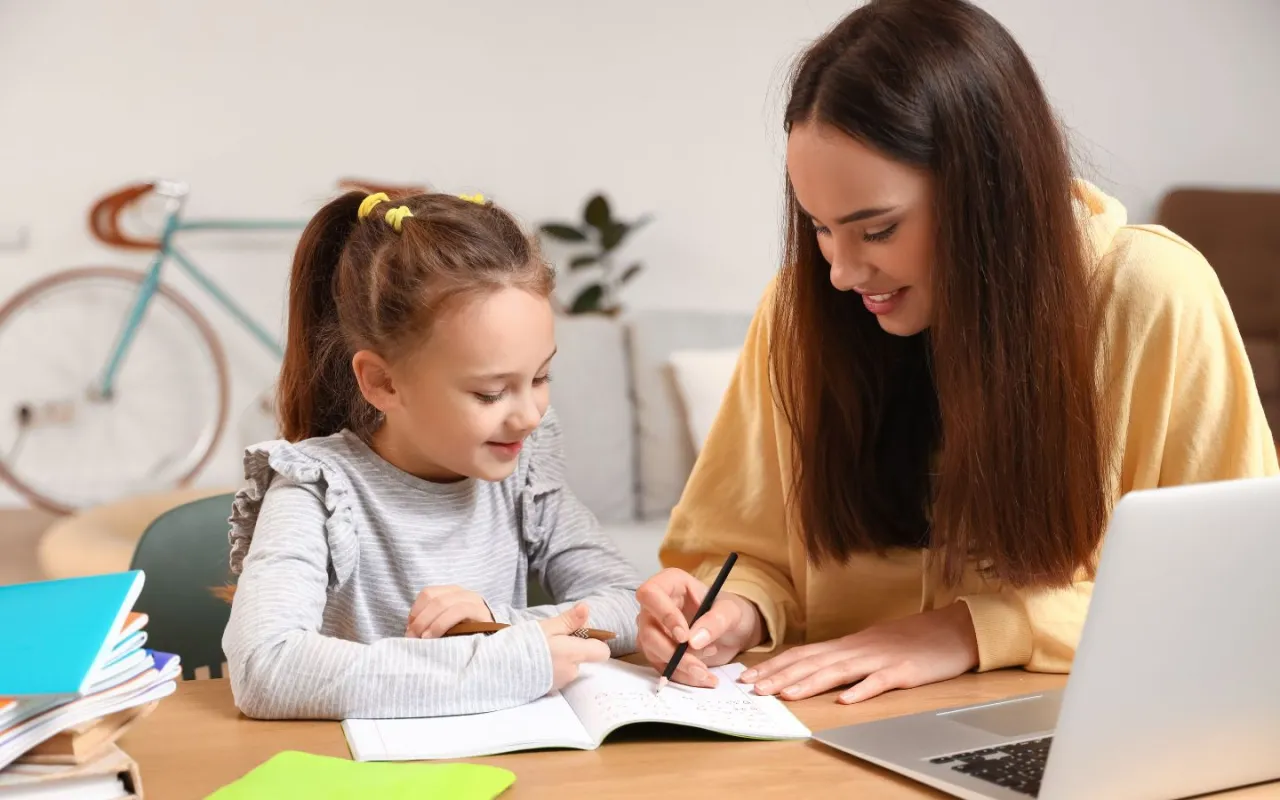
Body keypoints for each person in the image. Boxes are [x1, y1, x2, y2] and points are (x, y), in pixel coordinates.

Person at [635, 0, 1278, 705]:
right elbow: (747, 553)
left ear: (989, 193)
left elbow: (1239, 594)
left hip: (1073, 733)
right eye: (820, 228)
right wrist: (735, 609)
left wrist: (974, 630)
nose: (842, 273)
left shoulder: (1152, 294)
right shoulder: (799, 311)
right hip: (829, 739)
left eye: (876, 230)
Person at [222, 190, 640, 720]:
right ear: (382, 382)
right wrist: (507, 662)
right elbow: (265, 667)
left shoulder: (521, 469)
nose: (529, 415)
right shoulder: (318, 489)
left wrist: (501, 622)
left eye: (539, 377)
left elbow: (629, 602)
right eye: (490, 393)